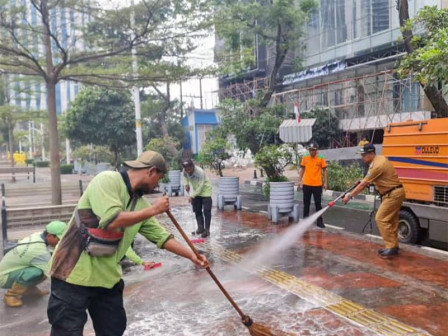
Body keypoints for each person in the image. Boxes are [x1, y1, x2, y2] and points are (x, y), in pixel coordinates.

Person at [48, 151, 208, 336]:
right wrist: (155, 209)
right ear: (151, 171)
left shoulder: (140, 203)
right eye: (159, 178)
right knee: (66, 332)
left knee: (113, 329)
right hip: (72, 274)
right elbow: (111, 219)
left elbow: (162, 237)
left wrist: (192, 255)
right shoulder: (107, 180)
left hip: (107, 279)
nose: (158, 184)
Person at [342, 144, 405, 257]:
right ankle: (394, 246)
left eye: (364, 155)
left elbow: (363, 184)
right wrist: (364, 181)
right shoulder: (379, 160)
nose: (362, 157)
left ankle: (391, 246)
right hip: (394, 192)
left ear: (371, 154)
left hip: (392, 194)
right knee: (391, 220)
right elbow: (369, 179)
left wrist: (349, 196)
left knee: (380, 218)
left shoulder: (377, 165)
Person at [0, 221, 66, 307]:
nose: (61, 242)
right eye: (59, 239)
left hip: (12, 269)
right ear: (49, 235)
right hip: (4, 277)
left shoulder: (37, 235)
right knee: (37, 272)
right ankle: (11, 295)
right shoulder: (39, 252)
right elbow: (53, 274)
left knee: (41, 266)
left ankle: (29, 290)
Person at [297, 143, 328, 228]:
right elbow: (302, 169)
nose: (311, 152)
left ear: (316, 150)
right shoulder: (305, 157)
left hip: (317, 184)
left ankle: (319, 222)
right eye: (310, 150)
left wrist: (325, 182)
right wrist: (299, 181)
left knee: (318, 204)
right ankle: (305, 221)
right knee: (306, 203)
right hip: (306, 184)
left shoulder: (321, 158)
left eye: (313, 150)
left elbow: (324, 170)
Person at [182, 159, 213, 238]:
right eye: (186, 169)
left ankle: (207, 230)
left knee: (207, 211)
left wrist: (192, 196)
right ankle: (200, 228)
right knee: (197, 210)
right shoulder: (185, 170)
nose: (188, 171)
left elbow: (201, 186)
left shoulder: (200, 172)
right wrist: (186, 184)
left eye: (189, 169)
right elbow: (185, 176)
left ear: (193, 166)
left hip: (205, 191)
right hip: (196, 191)